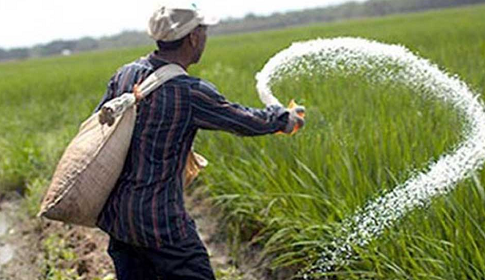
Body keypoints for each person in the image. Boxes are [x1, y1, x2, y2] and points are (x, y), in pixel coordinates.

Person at [94, 3, 305, 280]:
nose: (205, 37)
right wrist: (284, 119)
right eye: (203, 30)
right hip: (161, 223)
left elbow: (101, 124)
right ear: (193, 37)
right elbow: (244, 120)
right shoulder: (189, 91)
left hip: (119, 219)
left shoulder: (125, 75)